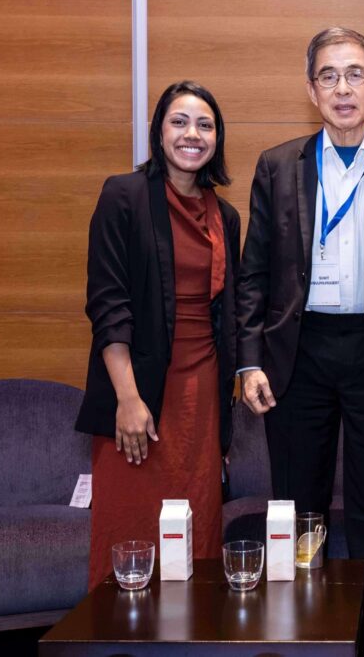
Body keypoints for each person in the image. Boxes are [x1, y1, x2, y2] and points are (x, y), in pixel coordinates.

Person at [235, 27, 364, 657]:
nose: (343, 88)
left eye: (355, 74)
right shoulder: (278, 165)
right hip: (296, 351)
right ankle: (306, 631)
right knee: (297, 501)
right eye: (328, 76)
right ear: (311, 91)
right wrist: (249, 360)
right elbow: (253, 273)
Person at [77, 81, 241, 590]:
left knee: (196, 531)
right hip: (138, 390)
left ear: (217, 138)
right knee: (130, 529)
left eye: (205, 125)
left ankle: (195, 630)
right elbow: (108, 304)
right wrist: (128, 399)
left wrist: (227, 420)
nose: (193, 134)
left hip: (202, 395)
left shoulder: (226, 216)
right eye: (179, 122)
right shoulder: (123, 196)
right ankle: (121, 631)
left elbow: (228, 315)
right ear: (159, 131)